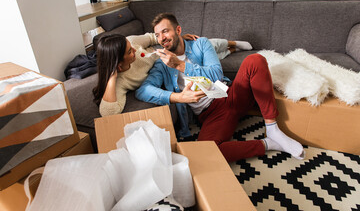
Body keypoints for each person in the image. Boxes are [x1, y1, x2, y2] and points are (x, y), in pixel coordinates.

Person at [135, 13, 305, 162]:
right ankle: (267, 144)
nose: (162, 37)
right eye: (158, 35)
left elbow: (216, 73)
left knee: (255, 60)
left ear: (178, 30)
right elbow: (143, 90)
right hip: (211, 115)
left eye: (165, 31)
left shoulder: (200, 44)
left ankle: (272, 128)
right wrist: (177, 97)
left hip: (230, 95)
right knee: (203, 153)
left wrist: (181, 65)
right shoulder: (162, 64)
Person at [92, 33, 249, 117]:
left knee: (204, 44)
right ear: (118, 65)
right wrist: (112, 77)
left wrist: (177, 39)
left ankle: (231, 43)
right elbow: (108, 113)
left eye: (130, 46)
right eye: (129, 51)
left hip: (161, 50)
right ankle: (230, 51)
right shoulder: (121, 81)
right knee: (202, 62)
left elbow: (152, 36)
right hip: (162, 64)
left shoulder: (132, 41)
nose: (134, 49)